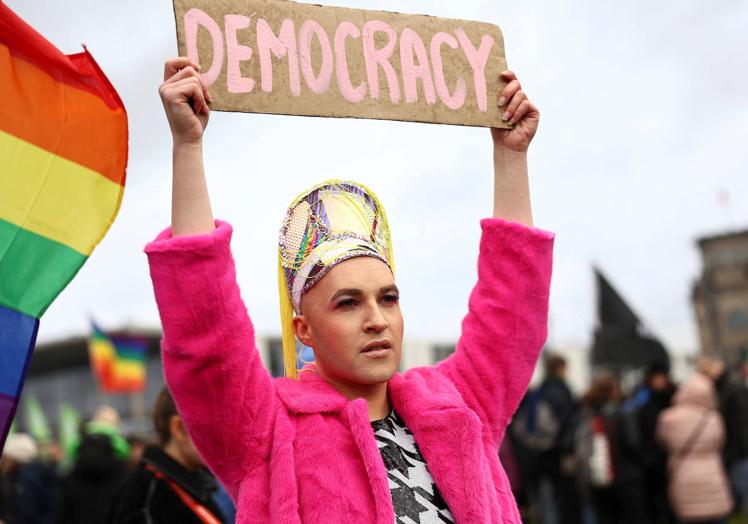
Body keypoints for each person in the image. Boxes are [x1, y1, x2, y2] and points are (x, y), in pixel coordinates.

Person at [146, 56, 553, 523]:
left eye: (388, 298)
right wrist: (187, 145)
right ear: (304, 329)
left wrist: (511, 156)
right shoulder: (266, 432)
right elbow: (207, 333)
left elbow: (512, 312)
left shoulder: (457, 404)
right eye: (347, 303)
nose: (376, 319)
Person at [107, 387, 227, 523]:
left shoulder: (196, 484)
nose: (223, 439)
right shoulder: (145, 496)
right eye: (212, 427)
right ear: (179, 428)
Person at [657, 373, 733, 524]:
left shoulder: (668, 418)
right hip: (712, 476)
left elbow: (662, 441)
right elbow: (720, 443)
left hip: (683, 476)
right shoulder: (714, 418)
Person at [574, 374, 647, 524]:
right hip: (624, 476)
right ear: (614, 391)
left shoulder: (586, 415)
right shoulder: (621, 413)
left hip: (598, 479)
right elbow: (632, 443)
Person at [700, 357, 748, 518]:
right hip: (734, 450)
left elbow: (741, 423)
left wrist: (739, 449)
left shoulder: (731, 388)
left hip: (739, 451)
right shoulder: (725, 387)